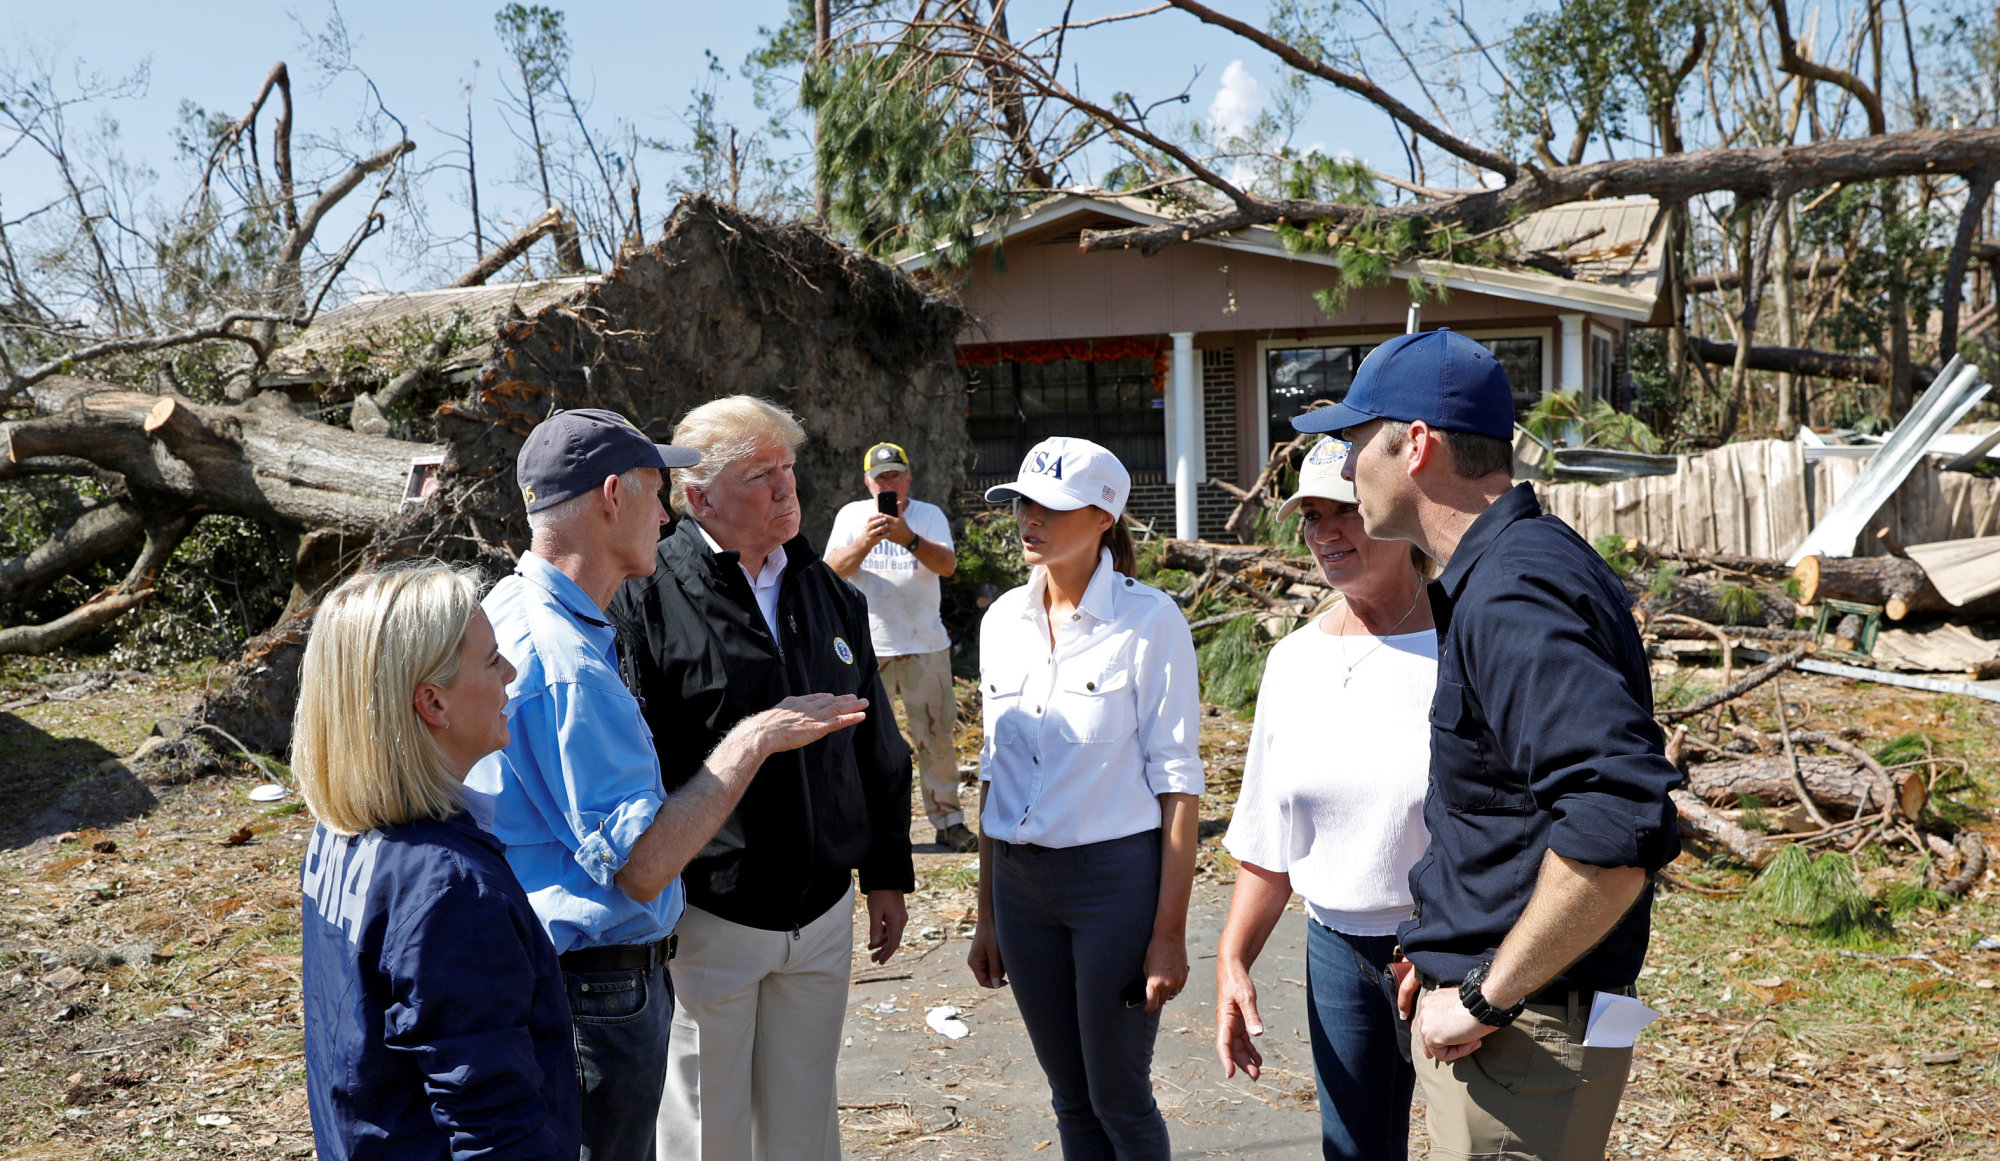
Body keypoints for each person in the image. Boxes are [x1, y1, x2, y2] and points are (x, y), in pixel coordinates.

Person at [1293, 328, 1682, 1161]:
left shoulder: (1513, 589)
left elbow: (1620, 822)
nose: (1349, 464)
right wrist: (1445, 940)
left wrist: (1482, 991)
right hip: (1517, 1025)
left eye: (1359, 441)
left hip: (1522, 1038)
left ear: (1418, 446)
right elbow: (1512, 812)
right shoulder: (1512, 566)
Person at [467, 408, 869, 1161]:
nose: (667, 509)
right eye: (659, 490)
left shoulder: (521, 617)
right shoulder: (567, 663)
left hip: (581, 972)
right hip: (597, 983)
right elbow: (644, 864)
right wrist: (755, 737)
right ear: (613, 496)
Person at [610, 395, 915, 1161]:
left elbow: (877, 742)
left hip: (819, 913)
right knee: (706, 1137)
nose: (788, 490)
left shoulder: (830, 593)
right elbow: (635, 761)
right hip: (711, 916)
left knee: (804, 1130)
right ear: (697, 496)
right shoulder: (645, 602)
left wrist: (885, 873)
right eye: (760, 475)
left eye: (789, 468)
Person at [966, 435, 1205, 1161]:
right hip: (1020, 887)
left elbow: (1179, 784)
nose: (1031, 519)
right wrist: (986, 916)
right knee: (1069, 1098)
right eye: (1024, 504)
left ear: (1105, 517)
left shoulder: (1150, 620)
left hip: (1114, 886)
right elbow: (992, 773)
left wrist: (1168, 931)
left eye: (1053, 507)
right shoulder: (1000, 620)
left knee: (1119, 1099)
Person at [296, 563, 577, 1161]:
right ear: (432, 702)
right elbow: (494, 1130)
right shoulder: (451, 892)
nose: (511, 673)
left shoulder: (340, 830)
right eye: (491, 660)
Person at [1213, 437, 1434, 1161]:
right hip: (1337, 952)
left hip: (1454, 949)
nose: (1324, 533)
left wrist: (1451, 942)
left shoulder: (1467, 640)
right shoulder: (1294, 661)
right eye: (1310, 516)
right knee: (1354, 1152)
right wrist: (1234, 957)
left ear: (1397, 510)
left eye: (1344, 510)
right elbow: (1269, 838)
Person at [825, 440, 972, 853]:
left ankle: (949, 820)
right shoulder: (852, 516)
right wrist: (866, 543)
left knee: (937, 737)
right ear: (868, 482)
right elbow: (831, 572)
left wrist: (909, 538)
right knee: (866, 742)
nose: (889, 482)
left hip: (926, 644)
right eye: (881, 477)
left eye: (896, 475)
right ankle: (870, 826)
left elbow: (947, 566)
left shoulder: (929, 516)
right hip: (867, 648)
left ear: (908, 477)